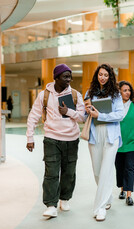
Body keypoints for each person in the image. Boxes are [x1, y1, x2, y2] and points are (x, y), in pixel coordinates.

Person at [26, 64, 85, 218]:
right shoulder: (44, 95)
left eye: (70, 76)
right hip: (51, 139)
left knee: (69, 172)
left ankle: (64, 199)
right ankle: (51, 205)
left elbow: (82, 117)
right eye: (65, 76)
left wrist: (69, 112)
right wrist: (30, 137)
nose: (69, 79)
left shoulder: (75, 94)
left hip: (72, 139)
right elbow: (33, 115)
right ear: (56, 77)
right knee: (51, 173)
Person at [84, 63, 123, 222]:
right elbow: (84, 113)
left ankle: (99, 208)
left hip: (111, 135)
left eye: (106, 75)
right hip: (94, 134)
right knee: (98, 171)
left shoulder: (116, 94)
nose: (103, 77)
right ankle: (107, 198)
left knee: (106, 169)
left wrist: (100, 115)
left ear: (110, 77)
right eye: (100, 74)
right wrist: (88, 112)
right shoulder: (89, 92)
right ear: (96, 75)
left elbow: (120, 115)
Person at [115, 81, 134, 206]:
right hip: (117, 143)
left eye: (129, 90)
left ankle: (129, 195)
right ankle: (122, 188)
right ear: (119, 92)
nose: (127, 92)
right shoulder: (115, 106)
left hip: (132, 142)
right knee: (119, 167)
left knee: (130, 167)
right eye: (124, 90)